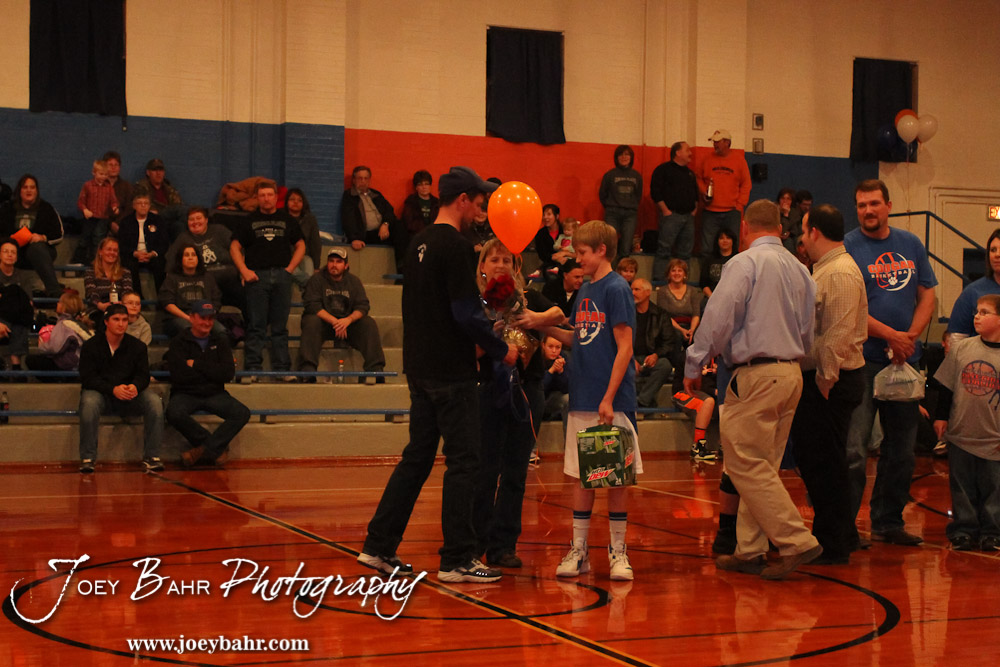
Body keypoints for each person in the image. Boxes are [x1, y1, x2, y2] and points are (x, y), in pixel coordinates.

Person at [358, 166, 516, 584]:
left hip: (420, 367)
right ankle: (457, 557)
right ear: (461, 200)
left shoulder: (419, 242)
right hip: (451, 370)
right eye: (478, 201)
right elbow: (464, 313)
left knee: (418, 457)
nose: (481, 209)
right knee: (464, 461)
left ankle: (378, 544)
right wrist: (501, 348)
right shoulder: (457, 246)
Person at [684, 199, 822, 580]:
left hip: (757, 373)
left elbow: (717, 319)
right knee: (763, 466)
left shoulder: (744, 263)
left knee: (744, 463)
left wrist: (695, 363)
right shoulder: (801, 270)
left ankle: (796, 540)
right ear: (780, 228)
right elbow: (808, 330)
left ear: (744, 228)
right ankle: (750, 549)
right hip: (791, 372)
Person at [540, 220, 642, 581]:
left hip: (610, 400)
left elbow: (625, 347)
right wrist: (537, 324)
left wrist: (609, 397)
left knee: (615, 480)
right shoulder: (584, 289)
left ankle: (618, 551)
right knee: (582, 478)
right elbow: (578, 338)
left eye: (582, 252)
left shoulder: (616, 288)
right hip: (583, 396)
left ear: (601, 250)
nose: (577, 259)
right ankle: (579, 549)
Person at [844, 179, 937, 546]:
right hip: (862, 363)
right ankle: (844, 527)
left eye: (874, 203)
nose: (868, 210)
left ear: (889, 206)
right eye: (861, 205)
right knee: (854, 450)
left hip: (904, 363)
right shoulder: (848, 247)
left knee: (901, 450)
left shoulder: (911, 244)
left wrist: (909, 337)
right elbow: (850, 305)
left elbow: (927, 294)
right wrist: (891, 336)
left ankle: (888, 521)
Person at [473, 239, 562, 568]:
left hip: (528, 390)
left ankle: (504, 545)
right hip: (488, 390)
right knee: (485, 471)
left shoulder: (528, 298)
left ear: (515, 267)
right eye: (493, 259)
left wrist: (536, 319)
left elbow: (559, 314)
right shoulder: (476, 304)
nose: (500, 265)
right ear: (482, 266)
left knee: (515, 472)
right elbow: (467, 352)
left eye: (506, 260)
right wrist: (491, 337)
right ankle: (475, 544)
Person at [789, 205, 868, 565]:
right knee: (822, 460)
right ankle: (840, 535)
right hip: (827, 379)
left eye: (804, 230)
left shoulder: (839, 273)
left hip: (832, 381)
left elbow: (837, 336)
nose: (801, 238)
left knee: (825, 462)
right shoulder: (827, 268)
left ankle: (833, 544)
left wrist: (824, 382)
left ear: (815, 232)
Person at [933, 293, 1000, 552]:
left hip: (993, 435)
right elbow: (946, 385)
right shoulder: (962, 348)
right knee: (961, 485)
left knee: (994, 487)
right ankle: (963, 529)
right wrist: (941, 416)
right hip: (962, 431)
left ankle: (992, 531)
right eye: (976, 312)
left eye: (985, 312)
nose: (977, 317)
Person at [230, 181, 305, 381]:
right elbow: (234, 247)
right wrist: (244, 271)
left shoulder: (287, 219)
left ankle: (282, 370)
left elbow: (301, 245)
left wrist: (290, 269)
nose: (266, 198)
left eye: (270, 195)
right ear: (257, 198)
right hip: (257, 277)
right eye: (262, 195)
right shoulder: (248, 221)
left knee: (280, 326)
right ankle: (253, 369)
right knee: (256, 325)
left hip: (282, 275)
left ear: (275, 197)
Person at [77, 303, 164, 474]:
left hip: (129, 394)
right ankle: (87, 458)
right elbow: (88, 378)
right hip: (102, 393)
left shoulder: (138, 346)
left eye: (124, 320)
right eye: (116, 319)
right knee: (89, 402)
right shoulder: (91, 346)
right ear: (106, 322)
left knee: (154, 402)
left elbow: (143, 375)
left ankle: (152, 456)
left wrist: (135, 386)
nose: (121, 323)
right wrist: (113, 389)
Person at [166, 300, 250, 468]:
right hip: (186, 393)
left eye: (210, 318)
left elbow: (227, 373)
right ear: (192, 318)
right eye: (203, 318)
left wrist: (196, 364)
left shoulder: (221, 341)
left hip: (214, 393)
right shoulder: (178, 342)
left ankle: (202, 450)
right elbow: (179, 375)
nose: (207, 322)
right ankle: (217, 449)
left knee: (242, 413)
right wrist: (212, 371)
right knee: (173, 413)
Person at [298, 248, 386, 383]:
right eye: (331, 261)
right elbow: (312, 305)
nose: (334, 265)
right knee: (311, 321)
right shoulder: (317, 279)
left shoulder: (354, 282)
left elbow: (363, 306)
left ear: (346, 265)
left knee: (368, 323)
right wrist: (335, 322)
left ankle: (375, 369)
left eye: (338, 262)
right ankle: (308, 370)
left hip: (347, 325)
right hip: (324, 323)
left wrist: (347, 320)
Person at [165, 207, 244, 312]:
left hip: (230, 279)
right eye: (191, 219)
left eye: (198, 218)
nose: (195, 222)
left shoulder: (220, 230)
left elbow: (239, 250)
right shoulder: (183, 238)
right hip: (202, 282)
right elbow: (171, 262)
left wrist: (243, 272)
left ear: (206, 220)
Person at [0, 174, 65, 297]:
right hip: (14, 251)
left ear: (37, 190)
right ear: (19, 190)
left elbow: (59, 234)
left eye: (32, 187)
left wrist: (42, 238)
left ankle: (55, 292)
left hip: (39, 253)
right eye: (25, 187)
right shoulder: (7, 208)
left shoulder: (46, 208)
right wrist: (9, 240)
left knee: (36, 247)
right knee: (6, 249)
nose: (28, 190)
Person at [340, 165, 406, 269]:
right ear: (354, 180)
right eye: (360, 178)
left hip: (382, 231)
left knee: (400, 227)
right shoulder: (350, 196)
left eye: (366, 178)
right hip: (366, 234)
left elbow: (389, 211)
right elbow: (348, 218)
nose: (363, 181)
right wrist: (354, 238)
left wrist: (385, 224)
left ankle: (403, 267)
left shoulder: (376, 195)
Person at [698, 130, 751, 257]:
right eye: (714, 142)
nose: (715, 144)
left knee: (733, 247)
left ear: (727, 142)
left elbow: (746, 184)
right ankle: (708, 268)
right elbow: (698, 178)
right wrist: (704, 192)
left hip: (732, 211)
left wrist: (740, 204)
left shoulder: (739, 161)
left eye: (718, 142)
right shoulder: (707, 159)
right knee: (707, 247)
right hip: (710, 210)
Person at [650, 140, 698, 279]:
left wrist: (694, 210)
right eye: (687, 150)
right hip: (671, 216)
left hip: (688, 217)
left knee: (685, 253)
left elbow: (695, 194)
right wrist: (665, 210)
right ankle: (659, 281)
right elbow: (655, 192)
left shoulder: (690, 173)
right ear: (678, 152)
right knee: (664, 250)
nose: (690, 153)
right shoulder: (663, 170)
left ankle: (682, 282)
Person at [946, 228, 1000, 347]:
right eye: (993, 250)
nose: (997, 254)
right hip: (979, 357)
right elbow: (957, 339)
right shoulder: (972, 292)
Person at [159, 242, 224, 338]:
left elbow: (216, 301)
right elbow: (167, 303)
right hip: (179, 318)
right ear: (180, 259)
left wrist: (205, 318)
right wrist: (189, 318)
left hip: (205, 317)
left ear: (198, 258)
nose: (190, 258)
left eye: (193, 255)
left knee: (222, 332)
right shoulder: (172, 278)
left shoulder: (207, 277)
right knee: (191, 330)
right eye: (186, 255)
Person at [25, 290, 94, 379]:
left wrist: (41, 345)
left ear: (64, 307)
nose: (57, 303)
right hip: (79, 363)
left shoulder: (64, 325)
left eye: (60, 302)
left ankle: (60, 380)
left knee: (31, 360)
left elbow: (55, 348)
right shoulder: (80, 323)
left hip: (68, 364)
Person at [631, 278, 676, 409]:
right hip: (630, 357)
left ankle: (642, 401)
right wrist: (629, 358)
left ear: (648, 292)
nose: (632, 293)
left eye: (637, 289)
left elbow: (669, 342)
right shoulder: (626, 313)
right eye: (631, 289)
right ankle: (643, 401)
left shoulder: (661, 315)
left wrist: (656, 355)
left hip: (651, 359)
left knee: (665, 365)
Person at [116, 193, 168, 299]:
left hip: (152, 254)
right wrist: (135, 253)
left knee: (160, 265)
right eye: (140, 203)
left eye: (146, 203)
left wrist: (152, 253)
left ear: (149, 206)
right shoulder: (126, 222)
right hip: (133, 255)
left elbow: (164, 242)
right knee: (129, 266)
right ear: (134, 206)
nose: (143, 206)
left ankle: (163, 299)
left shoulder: (158, 220)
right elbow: (122, 244)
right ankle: (138, 298)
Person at [599, 145, 643, 261]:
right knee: (610, 245)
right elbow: (602, 194)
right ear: (616, 157)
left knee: (626, 246)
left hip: (630, 214)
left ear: (631, 157)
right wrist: (611, 206)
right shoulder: (609, 175)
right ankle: (609, 270)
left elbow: (638, 195)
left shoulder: (637, 176)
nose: (624, 157)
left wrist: (631, 206)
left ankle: (623, 270)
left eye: (627, 154)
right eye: (621, 154)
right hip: (612, 213)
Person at [0, 238, 34, 374]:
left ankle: (14, 365)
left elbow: (28, 303)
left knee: (20, 316)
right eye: (5, 251)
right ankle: (15, 365)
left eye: (13, 252)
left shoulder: (23, 276)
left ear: (17, 257)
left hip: (17, 316)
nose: (9, 255)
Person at [76, 159, 119, 265]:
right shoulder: (87, 185)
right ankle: (78, 260)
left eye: (105, 174)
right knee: (84, 238)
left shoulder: (109, 188)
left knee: (98, 239)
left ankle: (95, 261)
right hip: (90, 217)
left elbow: (113, 200)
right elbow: (81, 201)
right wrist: (85, 210)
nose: (103, 177)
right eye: (101, 174)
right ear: (94, 173)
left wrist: (115, 207)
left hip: (103, 218)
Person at [84, 237, 133, 321]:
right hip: (98, 309)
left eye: (115, 250)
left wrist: (120, 304)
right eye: (109, 249)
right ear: (100, 252)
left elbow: (127, 292)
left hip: (120, 309)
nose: (112, 253)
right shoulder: (90, 272)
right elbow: (91, 293)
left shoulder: (125, 273)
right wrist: (101, 305)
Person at [134, 158, 185, 240]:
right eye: (154, 170)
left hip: (168, 220)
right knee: (179, 210)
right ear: (148, 173)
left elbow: (178, 203)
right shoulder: (141, 187)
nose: (158, 173)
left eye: (161, 170)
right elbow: (142, 205)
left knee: (179, 225)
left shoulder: (169, 188)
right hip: (153, 218)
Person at [284, 188, 322, 290]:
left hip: (304, 255)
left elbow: (315, 244)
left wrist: (317, 267)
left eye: (299, 200)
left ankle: (308, 288)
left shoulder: (310, 220)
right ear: (287, 202)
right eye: (292, 199)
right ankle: (312, 285)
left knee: (309, 266)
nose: (296, 202)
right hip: (286, 257)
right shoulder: (282, 218)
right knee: (293, 270)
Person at [401, 170, 439, 238]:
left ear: (430, 186)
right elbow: (408, 222)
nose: (424, 187)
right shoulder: (411, 202)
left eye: (426, 184)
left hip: (434, 236)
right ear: (416, 187)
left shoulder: (437, 203)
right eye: (420, 184)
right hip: (416, 236)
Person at [700, 229, 736, 300]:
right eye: (721, 238)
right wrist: (712, 298)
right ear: (717, 241)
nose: (725, 241)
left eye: (728, 238)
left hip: (733, 299)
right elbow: (703, 283)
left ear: (733, 241)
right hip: (711, 298)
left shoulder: (738, 258)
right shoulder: (709, 259)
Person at [103, 150, 133, 231]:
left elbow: (129, 208)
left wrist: (118, 223)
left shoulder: (127, 186)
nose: (113, 168)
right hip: (101, 223)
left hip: (121, 224)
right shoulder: (97, 186)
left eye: (116, 165)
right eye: (110, 165)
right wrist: (110, 223)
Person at [531, 204, 564, 276]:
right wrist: (555, 258)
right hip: (549, 263)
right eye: (544, 215)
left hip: (566, 261)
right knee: (551, 274)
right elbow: (542, 255)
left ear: (557, 216)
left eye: (549, 214)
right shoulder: (540, 234)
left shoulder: (565, 231)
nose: (545, 217)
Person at [777, 187, 801, 253]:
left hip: (791, 237)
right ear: (779, 200)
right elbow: (783, 230)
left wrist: (789, 233)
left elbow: (795, 230)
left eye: (788, 199)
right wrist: (785, 214)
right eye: (783, 198)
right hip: (777, 236)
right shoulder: (774, 211)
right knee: (788, 241)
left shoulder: (794, 213)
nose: (785, 201)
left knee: (795, 240)